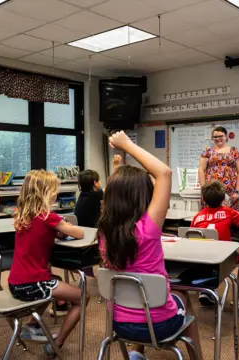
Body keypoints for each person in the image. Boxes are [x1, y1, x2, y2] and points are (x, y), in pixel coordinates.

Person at [98, 131, 204, 360]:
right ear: (143, 194)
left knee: (140, 294)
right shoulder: (148, 228)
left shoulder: (104, 233)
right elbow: (164, 173)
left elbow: (119, 190)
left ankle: (137, 352)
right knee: (183, 297)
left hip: (118, 324)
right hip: (158, 325)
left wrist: (118, 166)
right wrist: (126, 145)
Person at [8, 170, 89, 356]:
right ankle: (57, 343)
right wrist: (62, 223)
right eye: (54, 190)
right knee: (83, 297)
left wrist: (58, 228)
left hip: (16, 282)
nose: (57, 194)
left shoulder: (22, 214)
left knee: (55, 279)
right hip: (33, 284)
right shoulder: (47, 217)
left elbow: (47, 233)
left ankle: (31, 325)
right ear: (45, 193)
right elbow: (80, 233)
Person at [190, 180, 239, 314]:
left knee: (205, 250)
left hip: (201, 262)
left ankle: (205, 291)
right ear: (223, 198)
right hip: (224, 261)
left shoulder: (197, 217)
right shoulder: (228, 212)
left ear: (204, 199)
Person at [198, 126, 239, 211]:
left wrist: (237, 191)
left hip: (229, 190)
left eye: (220, 136)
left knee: (229, 216)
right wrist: (203, 190)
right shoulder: (208, 152)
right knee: (210, 215)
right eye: (215, 137)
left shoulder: (235, 152)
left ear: (226, 137)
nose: (218, 138)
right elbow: (201, 170)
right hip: (211, 191)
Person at [75, 155, 122, 227]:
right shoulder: (95, 195)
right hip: (92, 230)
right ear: (95, 183)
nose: (101, 182)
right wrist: (116, 165)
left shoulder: (82, 195)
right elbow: (112, 185)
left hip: (83, 228)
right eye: (99, 180)